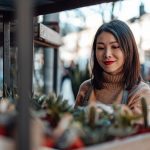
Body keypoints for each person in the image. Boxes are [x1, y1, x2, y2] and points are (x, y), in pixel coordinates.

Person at [74, 20, 150, 115]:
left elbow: (138, 129)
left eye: (115, 46)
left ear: (129, 49)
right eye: (101, 48)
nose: (107, 54)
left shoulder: (142, 93)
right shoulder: (86, 88)